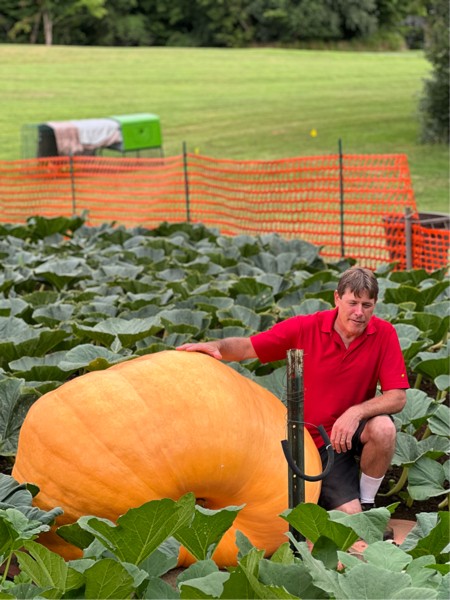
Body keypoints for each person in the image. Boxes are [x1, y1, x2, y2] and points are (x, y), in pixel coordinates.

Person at [177, 266, 408, 521]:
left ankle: (368, 502)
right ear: (337, 298)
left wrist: (355, 412)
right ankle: (345, 502)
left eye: (367, 305)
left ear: (375, 304)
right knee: (350, 518)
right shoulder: (305, 328)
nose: (359, 312)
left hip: (351, 430)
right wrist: (216, 345)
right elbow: (247, 347)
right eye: (353, 303)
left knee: (383, 429)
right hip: (314, 441)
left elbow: (397, 397)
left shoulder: (384, 333)